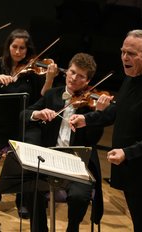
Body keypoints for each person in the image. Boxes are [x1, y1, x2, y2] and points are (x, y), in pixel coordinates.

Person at [69, 29, 142, 231]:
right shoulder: (132, 77)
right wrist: (87, 119)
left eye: (132, 54)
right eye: (123, 51)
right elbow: (118, 109)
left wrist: (127, 152)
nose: (125, 57)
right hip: (133, 171)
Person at [0, 28, 59, 217]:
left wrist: (50, 78)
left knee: (27, 151)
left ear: (28, 50)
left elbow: (44, 95)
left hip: (23, 123)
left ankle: (22, 199)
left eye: (23, 48)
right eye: (15, 47)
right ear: (8, 46)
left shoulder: (33, 70)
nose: (18, 52)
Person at [22, 52, 112, 232]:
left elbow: (93, 139)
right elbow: (23, 114)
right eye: (72, 72)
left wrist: (98, 115)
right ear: (67, 72)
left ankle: (72, 228)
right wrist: (37, 114)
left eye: (80, 76)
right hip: (49, 160)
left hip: (78, 164)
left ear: (87, 81)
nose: (74, 78)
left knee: (79, 196)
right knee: (31, 188)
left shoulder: (90, 104)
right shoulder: (52, 95)